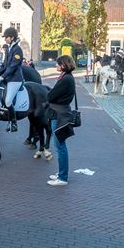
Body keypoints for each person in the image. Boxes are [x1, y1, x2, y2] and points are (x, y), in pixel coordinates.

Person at [46, 55, 76, 187]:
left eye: (57, 64)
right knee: (60, 146)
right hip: (60, 114)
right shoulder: (66, 77)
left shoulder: (66, 79)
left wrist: (50, 95)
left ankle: (63, 178)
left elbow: (50, 96)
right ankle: (61, 173)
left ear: (63, 65)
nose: (56, 66)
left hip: (60, 116)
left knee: (60, 147)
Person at [0, 27, 24, 132]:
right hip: (8, 78)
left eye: (6, 37)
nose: (5, 39)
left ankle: (14, 123)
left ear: (12, 37)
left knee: (8, 100)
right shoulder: (9, 48)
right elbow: (5, 66)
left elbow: (13, 66)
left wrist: (2, 77)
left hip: (15, 79)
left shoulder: (17, 49)